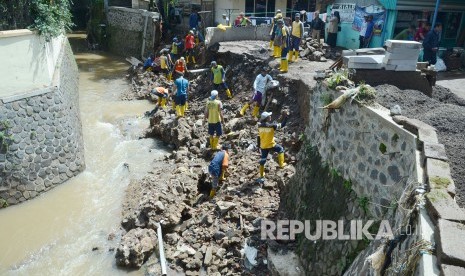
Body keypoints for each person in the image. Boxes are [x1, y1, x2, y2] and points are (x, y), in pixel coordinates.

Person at [257, 111, 288, 179]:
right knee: (281, 149)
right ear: (267, 118)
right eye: (269, 116)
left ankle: (261, 175)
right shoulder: (272, 126)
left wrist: (258, 146)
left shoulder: (260, 126)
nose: (270, 116)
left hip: (263, 146)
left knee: (263, 160)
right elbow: (282, 125)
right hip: (271, 145)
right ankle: (281, 164)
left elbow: (258, 137)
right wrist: (286, 117)